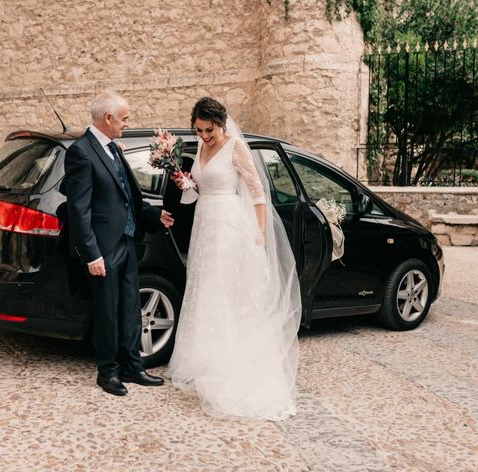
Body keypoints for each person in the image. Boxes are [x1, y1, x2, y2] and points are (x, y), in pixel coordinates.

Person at [166, 97, 302, 420]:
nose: (204, 136)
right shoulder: (199, 148)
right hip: (204, 222)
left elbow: (257, 192)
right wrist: (187, 184)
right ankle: (204, 358)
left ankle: (227, 363)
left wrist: (259, 233)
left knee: (226, 292)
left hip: (228, 224)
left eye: (209, 130)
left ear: (221, 123)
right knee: (205, 289)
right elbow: (201, 186)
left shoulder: (236, 147)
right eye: (198, 131)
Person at [65, 91, 174, 396]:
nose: (128, 123)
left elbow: (126, 196)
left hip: (126, 241)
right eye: (125, 118)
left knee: (129, 308)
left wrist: (155, 216)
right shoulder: (81, 152)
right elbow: (79, 209)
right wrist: (92, 254)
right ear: (108, 118)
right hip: (102, 247)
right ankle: (108, 372)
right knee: (107, 311)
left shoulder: (113, 148)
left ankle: (132, 365)